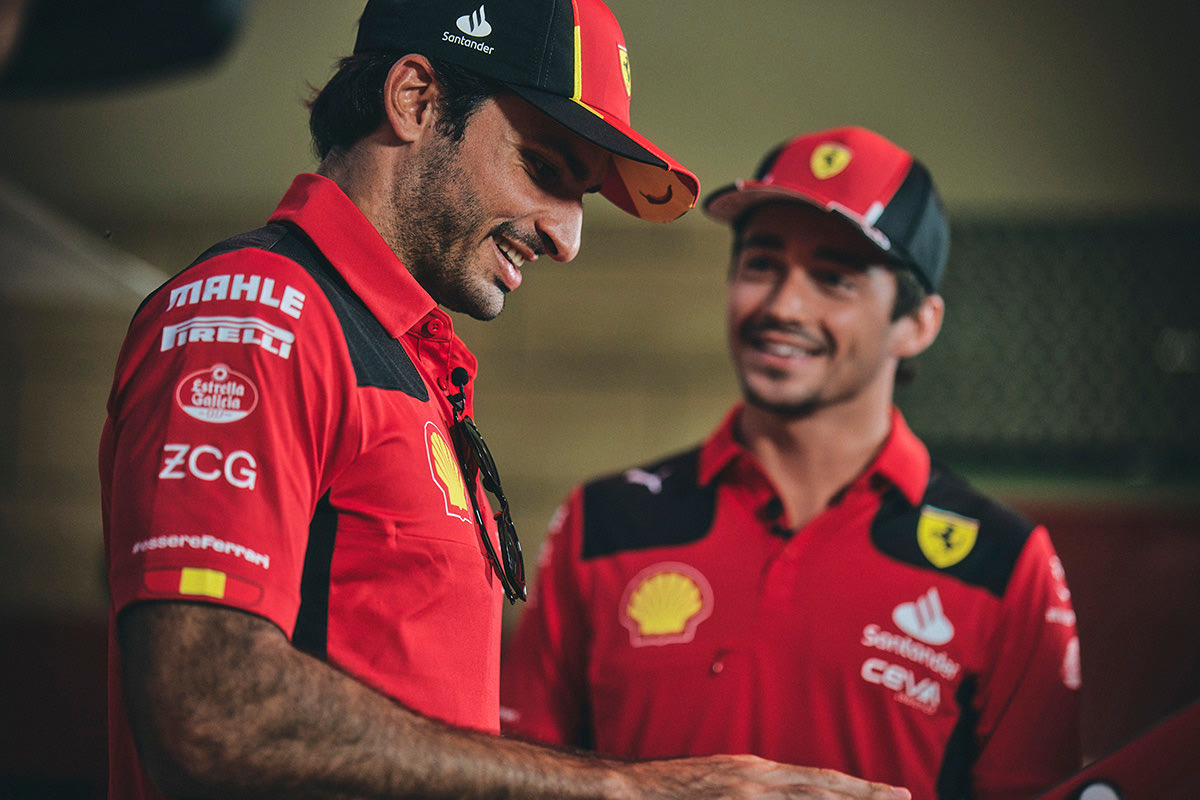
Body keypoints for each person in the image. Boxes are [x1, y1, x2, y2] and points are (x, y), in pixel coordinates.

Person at [99, 0, 913, 795]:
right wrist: (630, 789)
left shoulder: (394, 351)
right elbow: (209, 713)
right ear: (414, 99)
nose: (567, 237)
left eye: (580, 195)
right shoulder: (259, 317)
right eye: (546, 171)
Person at [501, 126, 1083, 800]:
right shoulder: (603, 523)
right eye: (761, 264)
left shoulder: (1006, 567)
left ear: (919, 323)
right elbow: (517, 778)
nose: (783, 305)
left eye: (834, 279)